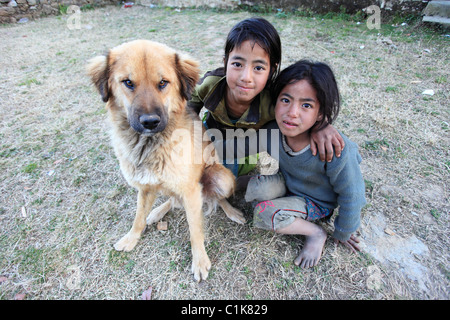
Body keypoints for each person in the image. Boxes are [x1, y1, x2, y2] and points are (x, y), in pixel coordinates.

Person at [188, 17, 344, 180]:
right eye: (237, 64)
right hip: (212, 133)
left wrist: (322, 125)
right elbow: (188, 103)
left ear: (271, 70)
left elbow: (301, 114)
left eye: (258, 68)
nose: (246, 77)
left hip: (245, 149)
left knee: (219, 179)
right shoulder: (211, 84)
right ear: (226, 61)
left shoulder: (274, 100)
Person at [244, 60, 366, 268]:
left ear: (321, 113)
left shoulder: (335, 149)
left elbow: (353, 194)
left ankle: (315, 233)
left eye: (306, 105)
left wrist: (344, 231)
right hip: (288, 184)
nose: (292, 112)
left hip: (316, 202)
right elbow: (239, 146)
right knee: (252, 188)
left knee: (264, 213)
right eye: (285, 100)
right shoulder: (274, 131)